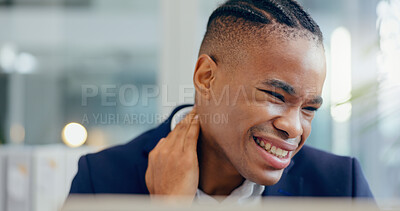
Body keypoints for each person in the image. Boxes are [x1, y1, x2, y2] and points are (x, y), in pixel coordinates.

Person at [69, 0, 373, 203]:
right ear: (206, 78)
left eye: (309, 108)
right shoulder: (102, 180)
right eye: (276, 96)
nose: (294, 128)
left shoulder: (341, 186)